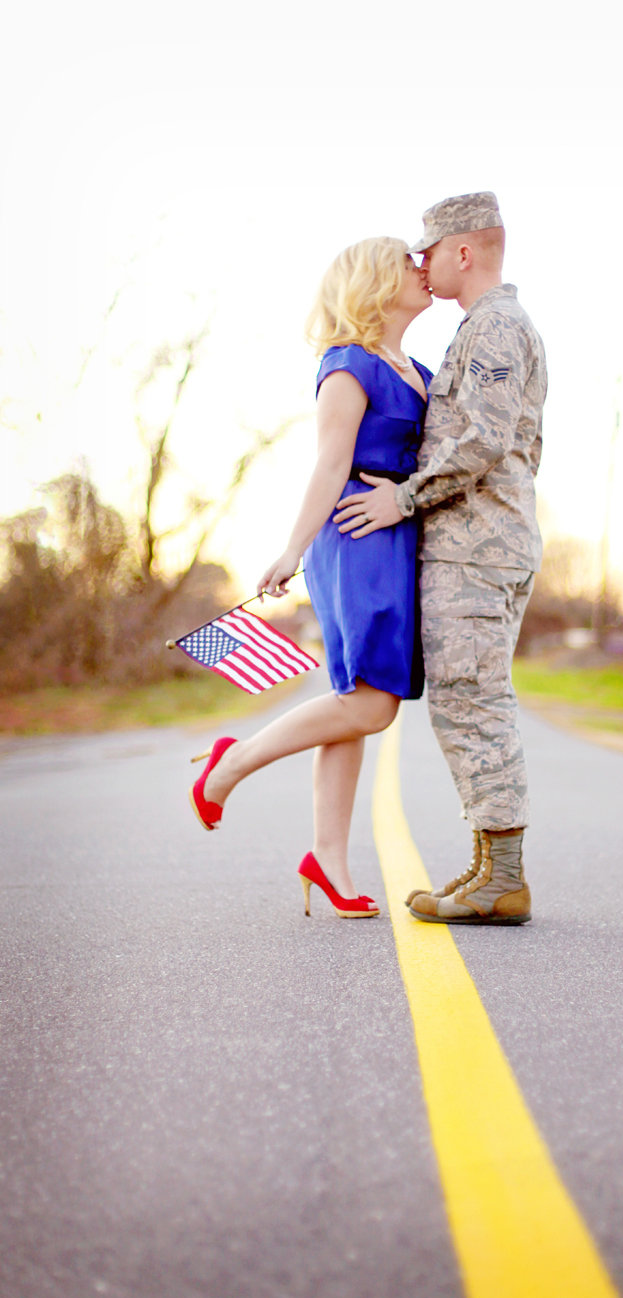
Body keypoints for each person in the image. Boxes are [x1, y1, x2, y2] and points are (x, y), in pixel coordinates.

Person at [190, 237, 433, 918]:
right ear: (377, 283)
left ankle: (327, 861)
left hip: (397, 535)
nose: (423, 271)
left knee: (354, 703)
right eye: (409, 263)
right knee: (372, 704)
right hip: (354, 538)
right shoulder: (348, 366)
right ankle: (231, 763)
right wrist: (291, 550)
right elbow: (328, 465)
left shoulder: (417, 368)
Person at [334, 192, 548, 926]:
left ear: (464, 251)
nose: (420, 262)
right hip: (483, 544)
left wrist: (403, 497)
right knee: (466, 702)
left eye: (430, 249)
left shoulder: (493, 327)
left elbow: (483, 442)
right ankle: (491, 867)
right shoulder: (485, 328)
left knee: (473, 701)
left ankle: (503, 879)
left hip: (477, 550)